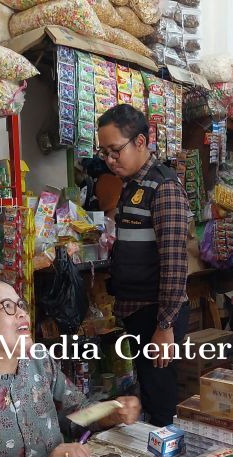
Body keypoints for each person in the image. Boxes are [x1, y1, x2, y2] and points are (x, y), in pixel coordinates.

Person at [0, 276, 141, 457]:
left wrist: (110, 413)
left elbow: (76, 413)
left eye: (21, 305)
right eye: (8, 306)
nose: (22, 314)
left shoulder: (38, 360)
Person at [97, 104, 191, 426]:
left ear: (139, 142)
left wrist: (164, 328)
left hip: (157, 314)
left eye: (115, 151)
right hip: (136, 309)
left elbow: (175, 262)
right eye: (104, 153)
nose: (109, 160)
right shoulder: (133, 185)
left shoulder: (163, 187)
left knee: (160, 397)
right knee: (148, 391)